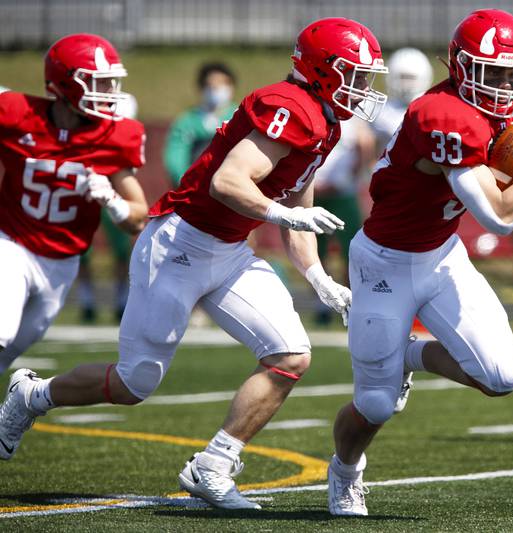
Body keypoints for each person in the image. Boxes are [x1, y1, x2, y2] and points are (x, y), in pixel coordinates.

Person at [0, 18, 388, 510]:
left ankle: (214, 466)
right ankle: (34, 395)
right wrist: (282, 211)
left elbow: (298, 207)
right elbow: (227, 182)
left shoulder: (325, 119)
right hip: (179, 244)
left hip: (226, 251)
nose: (363, 87)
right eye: (355, 74)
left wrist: (317, 276)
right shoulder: (290, 107)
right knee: (134, 382)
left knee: (291, 355)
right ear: (322, 70)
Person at [326, 9, 513, 516]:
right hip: (384, 262)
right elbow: (499, 217)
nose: (502, 87)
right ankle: (345, 472)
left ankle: (408, 355)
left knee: (502, 375)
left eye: (510, 75)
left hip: (440, 256)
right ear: (459, 67)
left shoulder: (498, 114)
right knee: (374, 405)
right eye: (491, 72)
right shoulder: (445, 116)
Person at [0, 33, 148, 375]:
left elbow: (138, 217)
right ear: (65, 85)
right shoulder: (17, 113)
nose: (109, 91)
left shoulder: (115, 136)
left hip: (63, 263)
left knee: (9, 354)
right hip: (13, 243)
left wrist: (111, 200)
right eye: (98, 82)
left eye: (111, 82)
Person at [76, 92, 140, 323]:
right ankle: (87, 302)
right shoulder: (88, 125)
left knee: (122, 248)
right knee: (81, 250)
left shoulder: (126, 124)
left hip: (115, 192)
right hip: (88, 191)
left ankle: (121, 302)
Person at [311, 118, 374, 324]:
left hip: (343, 193)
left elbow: (365, 146)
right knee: (314, 252)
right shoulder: (311, 113)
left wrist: (347, 179)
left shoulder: (351, 119)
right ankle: (322, 305)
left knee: (352, 250)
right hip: (312, 192)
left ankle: (353, 302)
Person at [164, 62, 238, 187]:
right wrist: (189, 186)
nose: (217, 89)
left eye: (222, 84)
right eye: (211, 85)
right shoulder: (186, 122)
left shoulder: (240, 117)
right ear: (202, 88)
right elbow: (175, 160)